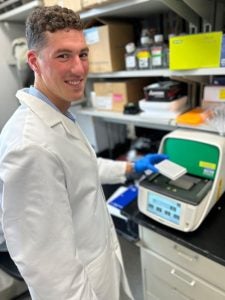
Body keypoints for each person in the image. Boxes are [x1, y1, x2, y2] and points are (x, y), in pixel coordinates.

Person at [0, 5, 167, 300]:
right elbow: (49, 270)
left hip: (101, 262)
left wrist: (131, 168)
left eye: (83, 54)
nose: (79, 68)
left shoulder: (58, 113)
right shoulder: (29, 147)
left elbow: (79, 170)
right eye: (63, 55)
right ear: (34, 61)